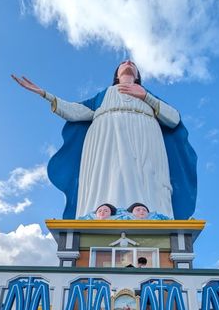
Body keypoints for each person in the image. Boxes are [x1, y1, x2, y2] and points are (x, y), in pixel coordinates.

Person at [11, 61, 197, 220]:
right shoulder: (105, 95)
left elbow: (173, 119)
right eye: (123, 62)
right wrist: (45, 94)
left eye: (132, 63)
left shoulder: (146, 94)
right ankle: (102, 215)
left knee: (148, 176)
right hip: (107, 137)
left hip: (145, 137)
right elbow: (75, 111)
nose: (128, 61)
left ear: (138, 76)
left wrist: (145, 97)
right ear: (116, 75)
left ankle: (150, 216)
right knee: (108, 174)